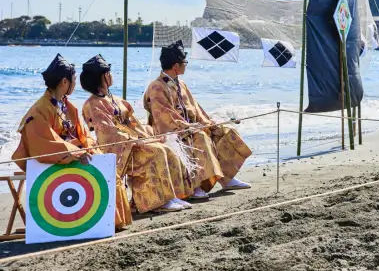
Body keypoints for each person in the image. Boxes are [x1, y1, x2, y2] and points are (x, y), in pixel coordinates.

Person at [12, 54, 132, 230]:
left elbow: (84, 134)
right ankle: (103, 222)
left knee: (105, 165)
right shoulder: (38, 112)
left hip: (70, 154)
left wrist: (89, 148)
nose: (76, 84)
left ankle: (112, 221)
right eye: (73, 80)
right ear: (64, 82)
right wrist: (76, 153)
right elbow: (44, 143)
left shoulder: (67, 106)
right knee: (96, 168)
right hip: (49, 159)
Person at [81, 54, 193, 214]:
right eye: (109, 73)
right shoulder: (93, 104)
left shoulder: (115, 99)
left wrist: (149, 136)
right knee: (157, 152)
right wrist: (136, 141)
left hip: (132, 142)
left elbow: (133, 123)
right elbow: (108, 132)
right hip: (120, 148)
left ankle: (170, 195)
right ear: (104, 76)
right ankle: (157, 201)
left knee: (166, 148)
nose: (111, 76)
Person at [143, 41, 252, 200]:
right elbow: (165, 116)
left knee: (224, 131)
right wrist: (189, 126)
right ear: (175, 66)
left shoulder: (182, 84)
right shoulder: (156, 87)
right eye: (184, 63)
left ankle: (226, 178)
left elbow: (195, 108)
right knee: (200, 137)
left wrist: (208, 122)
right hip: (174, 132)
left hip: (191, 127)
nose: (186, 65)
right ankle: (197, 185)